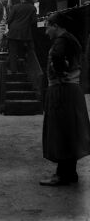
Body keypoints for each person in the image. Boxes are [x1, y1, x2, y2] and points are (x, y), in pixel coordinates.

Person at [39, 12, 90, 186]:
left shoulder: (61, 42)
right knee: (70, 132)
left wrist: (60, 75)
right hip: (72, 90)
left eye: (48, 27)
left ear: (56, 26)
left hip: (62, 90)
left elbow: (58, 57)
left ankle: (62, 175)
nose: (46, 32)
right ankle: (70, 173)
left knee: (60, 131)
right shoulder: (71, 39)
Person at [6, 0, 37, 73]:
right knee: (22, 52)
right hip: (25, 34)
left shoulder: (15, 7)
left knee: (12, 52)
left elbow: (9, 20)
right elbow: (34, 21)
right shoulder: (32, 8)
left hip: (13, 32)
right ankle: (24, 70)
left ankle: (13, 71)